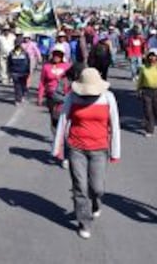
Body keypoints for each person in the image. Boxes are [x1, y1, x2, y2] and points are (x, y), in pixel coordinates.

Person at [53, 68, 120, 239]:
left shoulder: (108, 97)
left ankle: (96, 204)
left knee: (97, 188)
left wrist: (115, 151)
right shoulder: (72, 97)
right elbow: (62, 120)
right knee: (80, 187)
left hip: (100, 149)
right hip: (77, 148)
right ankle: (84, 222)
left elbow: (115, 126)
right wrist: (57, 148)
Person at [38, 45, 72, 134]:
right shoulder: (46, 67)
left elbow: (72, 81)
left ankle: (65, 134)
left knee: (65, 117)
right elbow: (42, 82)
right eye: (55, 54)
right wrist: (40, 97)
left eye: (59, 54)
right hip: (51, 96)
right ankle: (56, 136)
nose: (57, 56)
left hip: (64, 96)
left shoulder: (68, 66)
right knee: (54, 118)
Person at [137, 49, 157, 137]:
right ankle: (149, 129)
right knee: (147, 110)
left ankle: (153, 122)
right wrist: (138, 90)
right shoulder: (144, 67)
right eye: (150, 56)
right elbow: (140, 80)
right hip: (146, 90)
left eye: (154, 56)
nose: (152, 58)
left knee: (156, 109)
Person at [7, 40, 31, 105]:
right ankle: (17, 99)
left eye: (19, 44)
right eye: (16, 44)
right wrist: (9, 72)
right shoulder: (11, 53)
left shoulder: (25, 53)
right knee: (17, 87)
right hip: (15, 73)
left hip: (24, 73)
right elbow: (9, 63)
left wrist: (28, 72)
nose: (18, 45)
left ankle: (22, 95)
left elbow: (28, 63)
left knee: (23, 86)